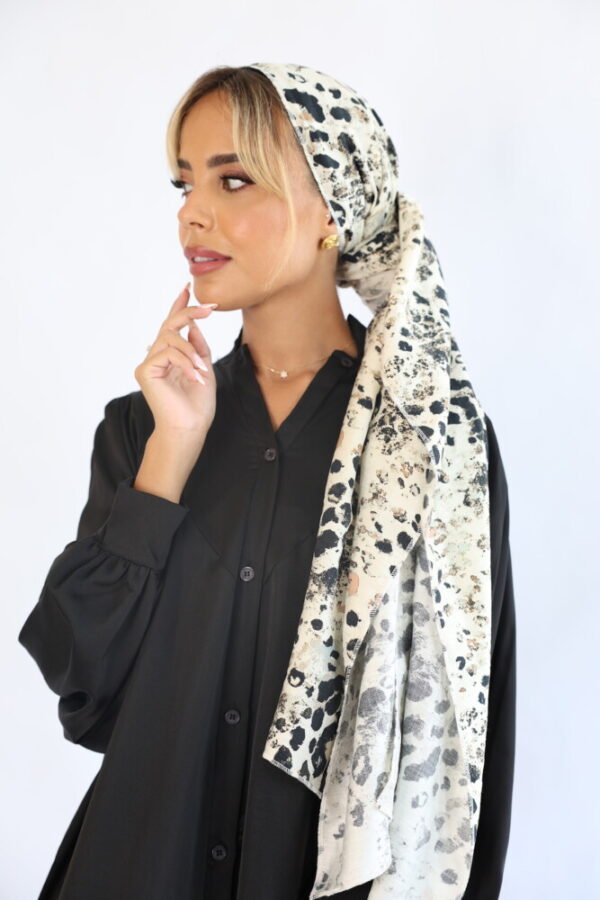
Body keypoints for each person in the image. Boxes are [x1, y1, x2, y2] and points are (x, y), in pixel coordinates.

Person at [18, 64, 516, 900]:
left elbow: (468, 748)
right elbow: (86, 690)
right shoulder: (142, 430)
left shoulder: (431, 449)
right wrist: (171, 456)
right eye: (184, 183)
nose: (192, 213)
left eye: (233, 179)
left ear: (333, 207)